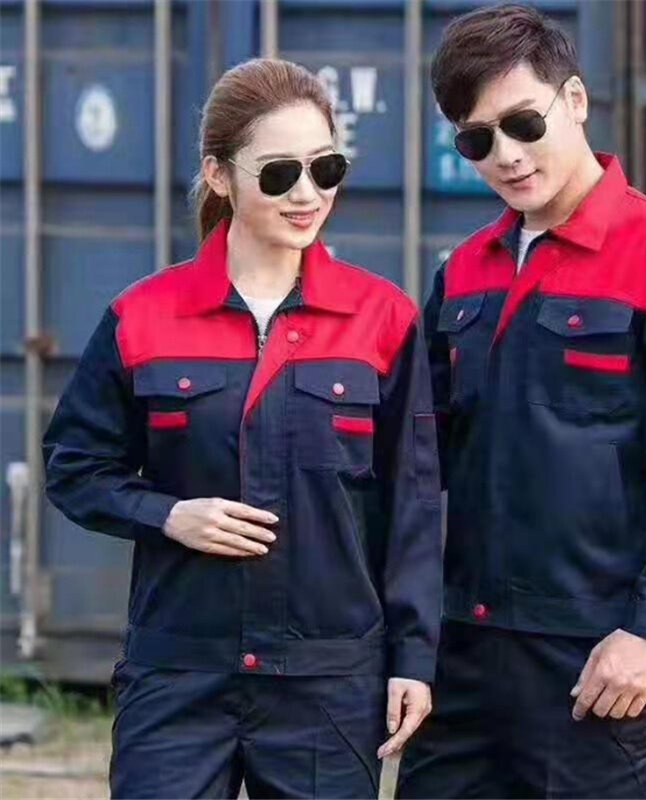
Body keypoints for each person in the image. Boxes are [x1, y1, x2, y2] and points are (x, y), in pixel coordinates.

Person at [43, 58, 442, 799]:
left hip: (327, 681)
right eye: (280, 173)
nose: (307, 194)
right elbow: (74, 468)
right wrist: (168, 515)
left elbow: (413, 505)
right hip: (179, 672)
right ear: (219, 175)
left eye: (326, 168)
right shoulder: (143, 317)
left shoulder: (382, 320)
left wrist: (414, 658)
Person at [397, 5, 646, 799]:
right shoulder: (465, 272)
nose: (507, 155)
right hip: (464, 651)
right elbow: (414, 452)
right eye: (477, 140)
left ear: (577, 100)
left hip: (597, 658)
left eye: (524, 123)